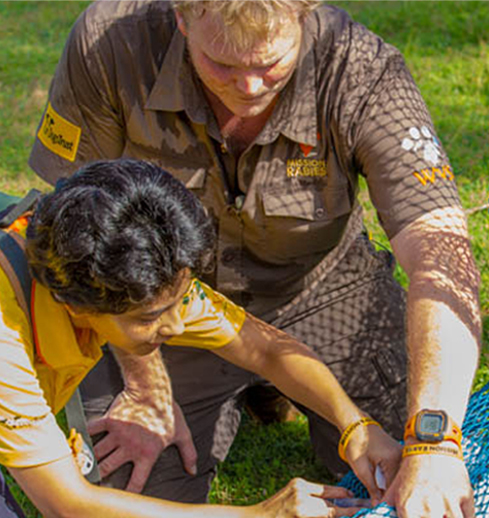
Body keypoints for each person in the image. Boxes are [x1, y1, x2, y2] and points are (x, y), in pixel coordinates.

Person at [29, 1, 482, 516]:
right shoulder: (110, 42)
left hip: (322, 293)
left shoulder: (361, 69)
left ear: (304, 16)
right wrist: (146, 382)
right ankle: (249, 393)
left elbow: (442, 253)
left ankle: (271, 392)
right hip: (162, 306)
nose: (248, 89)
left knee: (414, 474)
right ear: (182, 18)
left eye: (270, 65)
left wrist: (434, 437)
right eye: (222, 65)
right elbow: (85, 225)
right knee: (127, 489)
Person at [0, 158, 401, 518]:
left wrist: (355, 425)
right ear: (74, 304)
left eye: (180, 299)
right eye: (151, 317)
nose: (176, 326)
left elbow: (265, 349)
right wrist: (258, 516)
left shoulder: (110, 256)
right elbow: (67, 502)